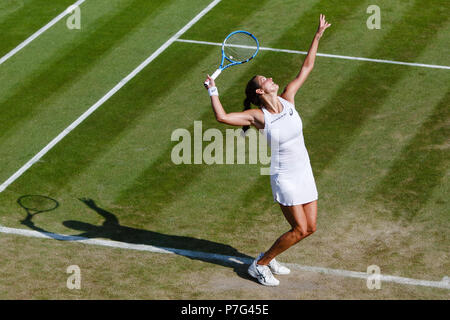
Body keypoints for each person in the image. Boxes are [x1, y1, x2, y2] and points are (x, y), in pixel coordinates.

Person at [204, 14, 331, 286]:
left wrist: (318, 35)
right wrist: (212, 91)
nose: (272, 78)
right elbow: (223, 118)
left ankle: (269, 257)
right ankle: (259, 265)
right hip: (284, 177)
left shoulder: (288, 97)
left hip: (304, 172)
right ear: (260, 92)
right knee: (299, 229)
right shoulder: (258, 117)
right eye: (266, 79)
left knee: (311, 228)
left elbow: (306, 67)